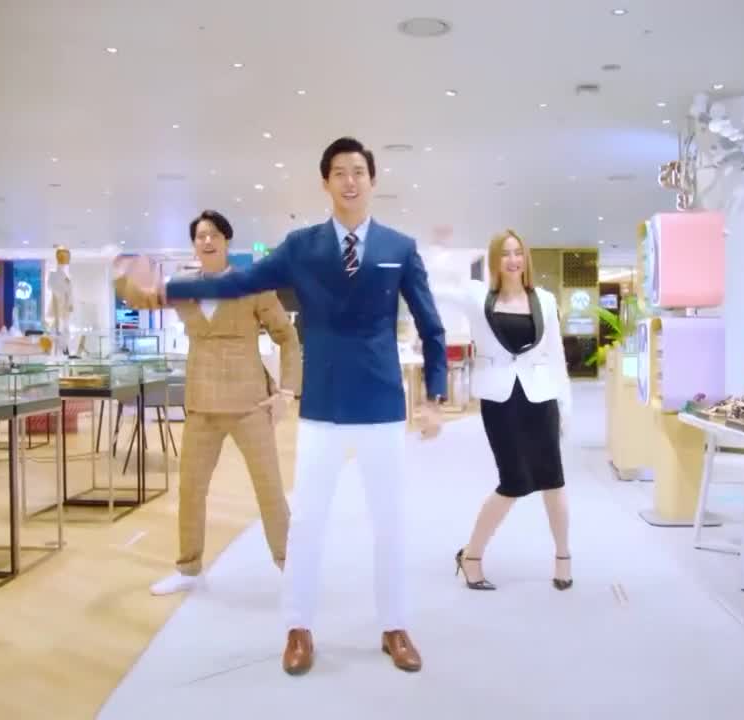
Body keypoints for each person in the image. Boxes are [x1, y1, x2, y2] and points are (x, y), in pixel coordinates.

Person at [115, 136, 448, 676]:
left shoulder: (400, 248)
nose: (349, 181)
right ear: (325, 182)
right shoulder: (301, 246)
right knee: (306, 523)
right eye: (339, 172)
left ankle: (394, 626)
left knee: (389, 522)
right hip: (321, 406)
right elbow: (240, 281)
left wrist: (433, 397)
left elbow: (432, 327)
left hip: (382, 404)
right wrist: (165, 290)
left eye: (358, 171)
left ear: (372, 180)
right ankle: (298, 627)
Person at [149, 210, 301, 595]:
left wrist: (287, 391)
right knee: (190, 489)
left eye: (214, 234)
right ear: (193, 244)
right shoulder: (184, 289)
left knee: (269, 489)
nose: (207, 241)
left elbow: (287, 336)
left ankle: (291, 566)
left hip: (250, 403)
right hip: (201, 403)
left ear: (227, 241)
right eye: (200, 235)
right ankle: (188, 569)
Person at [434, 230, 573, 591]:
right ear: (495, 260)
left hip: (540, 397)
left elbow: (555, 355)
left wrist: (564, 405)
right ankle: (472, 556)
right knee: (514, 482)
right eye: (505, 254)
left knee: (553, 480)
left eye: (518, 253)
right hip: (499, 400)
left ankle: (563, 558)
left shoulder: (543, 300)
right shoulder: (478, 296)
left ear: (526, 258)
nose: (513, 260)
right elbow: (437, 290)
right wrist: (440, 252)